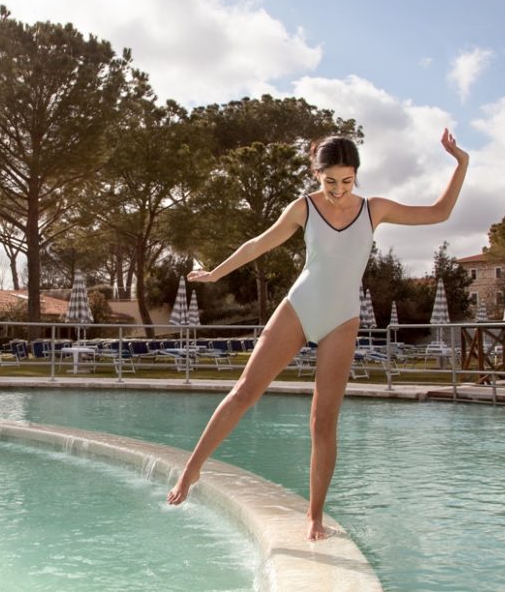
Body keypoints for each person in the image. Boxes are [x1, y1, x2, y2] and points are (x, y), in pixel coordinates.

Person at [167, 128, 469, 540]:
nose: (339, 190)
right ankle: (191, 470)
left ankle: (314, 517)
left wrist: (461, 162)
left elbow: (439, 213)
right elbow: (259, 243)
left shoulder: (374, 209)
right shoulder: (303, 208)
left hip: (343, 318)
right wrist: (217, 272)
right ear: (316, 173)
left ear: (356, 175)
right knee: (244, 392)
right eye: (330, 182)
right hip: (300, 306)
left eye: (347, 181)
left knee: (323, 422)